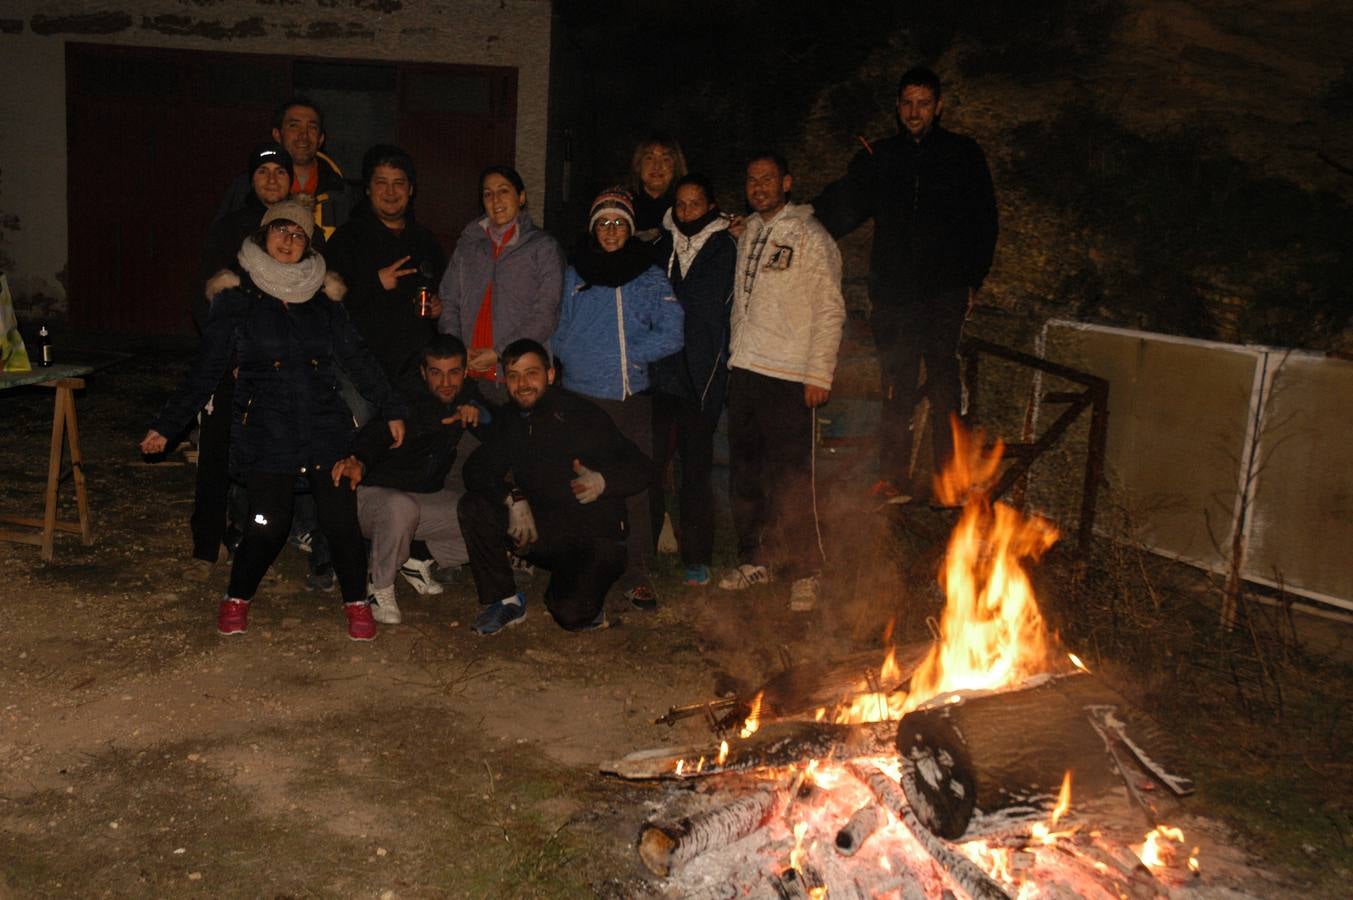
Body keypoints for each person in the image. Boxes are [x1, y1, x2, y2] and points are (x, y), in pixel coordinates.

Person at [140, 200, 406, 641]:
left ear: (308, 244)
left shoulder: (324, 298)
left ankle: (357, 600)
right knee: (268, 524)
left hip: (325, 427)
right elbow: (205, 368)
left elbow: (358, 359)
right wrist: (168, 425)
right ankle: (237, 596)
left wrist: (393, 407)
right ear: (264, 235)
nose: (288, 241)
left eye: (299, 234)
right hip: (268, 430)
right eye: (280, 230)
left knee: (339, 519)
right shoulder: (236, 298)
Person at [814, 66, 997, 499]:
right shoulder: (880, 157)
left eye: (924, 103)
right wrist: (793, 215)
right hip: (894, 292)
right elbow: (841, 208)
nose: (915, 112)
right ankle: (892, 477)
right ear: (898, 107)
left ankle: (949, 479)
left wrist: (974, 279)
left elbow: (983, 219)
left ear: (939, 106)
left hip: (945, 288)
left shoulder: (962, 154)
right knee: (896, 383)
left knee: (943, 380)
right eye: (908, 103)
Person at [719, 152, 845, 612]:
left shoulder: (812, 237)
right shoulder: (749, 231)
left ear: (787, 183)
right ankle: (755, 560)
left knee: (793, 479)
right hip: (746, 369)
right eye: (752, 180)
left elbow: (831, 308)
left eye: (768, 179)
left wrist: (819, 372)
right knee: (746, 474)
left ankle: (805, 572)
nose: (759, 187)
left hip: (790, 375)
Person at [457, 339, 652, 635]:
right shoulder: (510, 419)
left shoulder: (581, 415)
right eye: (513, 376)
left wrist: (603, 481)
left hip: (595, 538)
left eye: (531, 373)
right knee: (474, 505)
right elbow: (476, 469)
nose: (522, 384)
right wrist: (512, 496)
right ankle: (505, 600)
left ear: (549, 375)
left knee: (571, 615)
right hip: (544, 530)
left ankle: (582, 595)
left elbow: (642, 466)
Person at [550, 187, 683, 610]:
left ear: (629, 228)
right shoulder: (575, 272)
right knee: (579, 482)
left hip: (629, 397)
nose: (611, 230)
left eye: (618, 223)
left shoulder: (648, 275)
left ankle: (637, 573)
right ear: (594, 228)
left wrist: (630, 354)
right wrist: (565, 359)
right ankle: (583, 565)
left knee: (636, 485)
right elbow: (557, 329)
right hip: (579, 395)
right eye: (603, 223)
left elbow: (673, 331)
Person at [184, 141, 296, 582]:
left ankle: (259, 541)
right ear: (251, 179)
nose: (272, 180)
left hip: (280, 365)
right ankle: (206, 543)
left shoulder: (300, 229)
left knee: (271, 456)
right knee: (216, 449)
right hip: (231, 360)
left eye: (281, 172)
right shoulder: (229, 227)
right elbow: (206, 295)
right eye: (264, 172)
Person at [331, 334, 484, 625]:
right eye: (436, 373)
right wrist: (358, 460)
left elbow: (497, 426)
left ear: (465, 372)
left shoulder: (468, 397)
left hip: (420, 500)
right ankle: (379, 585)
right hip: (372, 499)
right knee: (400, 507)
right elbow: (376, 434)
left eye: (453, 373)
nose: (446, 383)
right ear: (423, 372)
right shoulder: (403, 400)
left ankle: (417, 557)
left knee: (485, 514)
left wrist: (480, 414)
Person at [651, 174, 736, 587]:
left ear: (711, 206)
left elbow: (704, 304)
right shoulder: (661, 244)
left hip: (703, 373)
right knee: (651, 464)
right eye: (681, 205)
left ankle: (696, 557)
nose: (687, 212)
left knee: (696, 470)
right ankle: (642, 551)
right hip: (661, 371)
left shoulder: (726, 246)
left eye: (695, 204)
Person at [326, 145, 446, 400]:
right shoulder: (346, 239)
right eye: (381, 182)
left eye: (399, 183)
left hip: (417, 372)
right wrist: (375, 283)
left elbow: (443, 295)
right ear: (368, 189)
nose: (390, 192)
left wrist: (437, 308)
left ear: (411, 189)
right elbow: (326, 305)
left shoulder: (426, 241)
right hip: (361, 372)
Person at [437, 165, 565, 406]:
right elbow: (449, 299)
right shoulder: (468, 245)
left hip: (519, 375)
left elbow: (547, 313)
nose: (495, 200)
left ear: (521, 197)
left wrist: (499, 353)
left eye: (504, 191)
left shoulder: (543, 247)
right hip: (469, 374)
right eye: (488, 193)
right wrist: (456, 350)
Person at [216, 97, 353, 240]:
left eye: (312, 127)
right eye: (294, 126)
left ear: (321, 138)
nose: (303, 135)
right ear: (277, 134)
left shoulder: (340, 191)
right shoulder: (248, 185)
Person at [629, 133, 687, 266]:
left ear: (676, 166)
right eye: (649, 158)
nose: (657, 165)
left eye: (666, 159)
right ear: (638, 165)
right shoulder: (623, 204)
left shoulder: (686, 206)